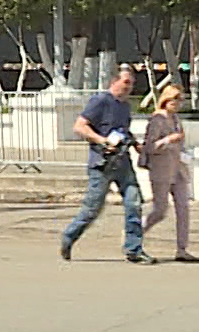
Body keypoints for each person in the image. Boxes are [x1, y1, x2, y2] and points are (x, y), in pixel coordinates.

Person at [60, 64, 153, 264]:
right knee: (93, 208)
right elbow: (80, 126)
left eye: (132, 84)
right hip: (102, 164)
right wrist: (102, 140)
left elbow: (122, 130)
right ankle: (69, 235)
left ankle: (134, 249)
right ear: (114, 81)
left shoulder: (125, 106)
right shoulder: (100, 101)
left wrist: (136, 144)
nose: (129, 87)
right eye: (126, 82)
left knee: (134, 203)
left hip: (123, 162)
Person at [140, 85, 197, 262]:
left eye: (180, 100)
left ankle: (182, 249)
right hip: (161, 169)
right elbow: (149, 147)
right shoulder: (157, 120)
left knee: (183, 208)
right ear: (166, 100)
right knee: (160, 210)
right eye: (175, 100)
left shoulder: (176, 119)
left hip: (178, 168)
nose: (178, 104)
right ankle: (134, 234)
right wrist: (167, 140)